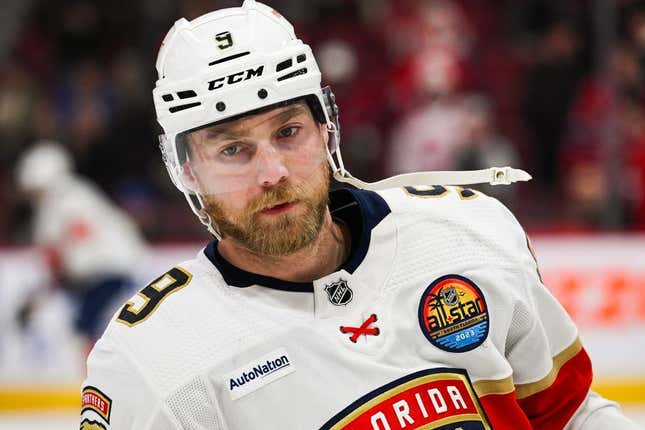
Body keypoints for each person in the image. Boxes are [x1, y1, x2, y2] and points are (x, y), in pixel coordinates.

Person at [80, 1, 640, 429]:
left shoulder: (464, 235)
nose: (271, 172)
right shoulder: (153, 360)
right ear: (187, 172)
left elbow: (569, 415)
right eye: (232, 150)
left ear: (327, 129)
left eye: (288, 131)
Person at [16, 141, 146, 355]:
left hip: (106, 274)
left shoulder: (57, 204)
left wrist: (38, 297)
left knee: (85, 330)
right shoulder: (81, 193)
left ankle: (94, 383)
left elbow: (59, 257)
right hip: (120, 270)